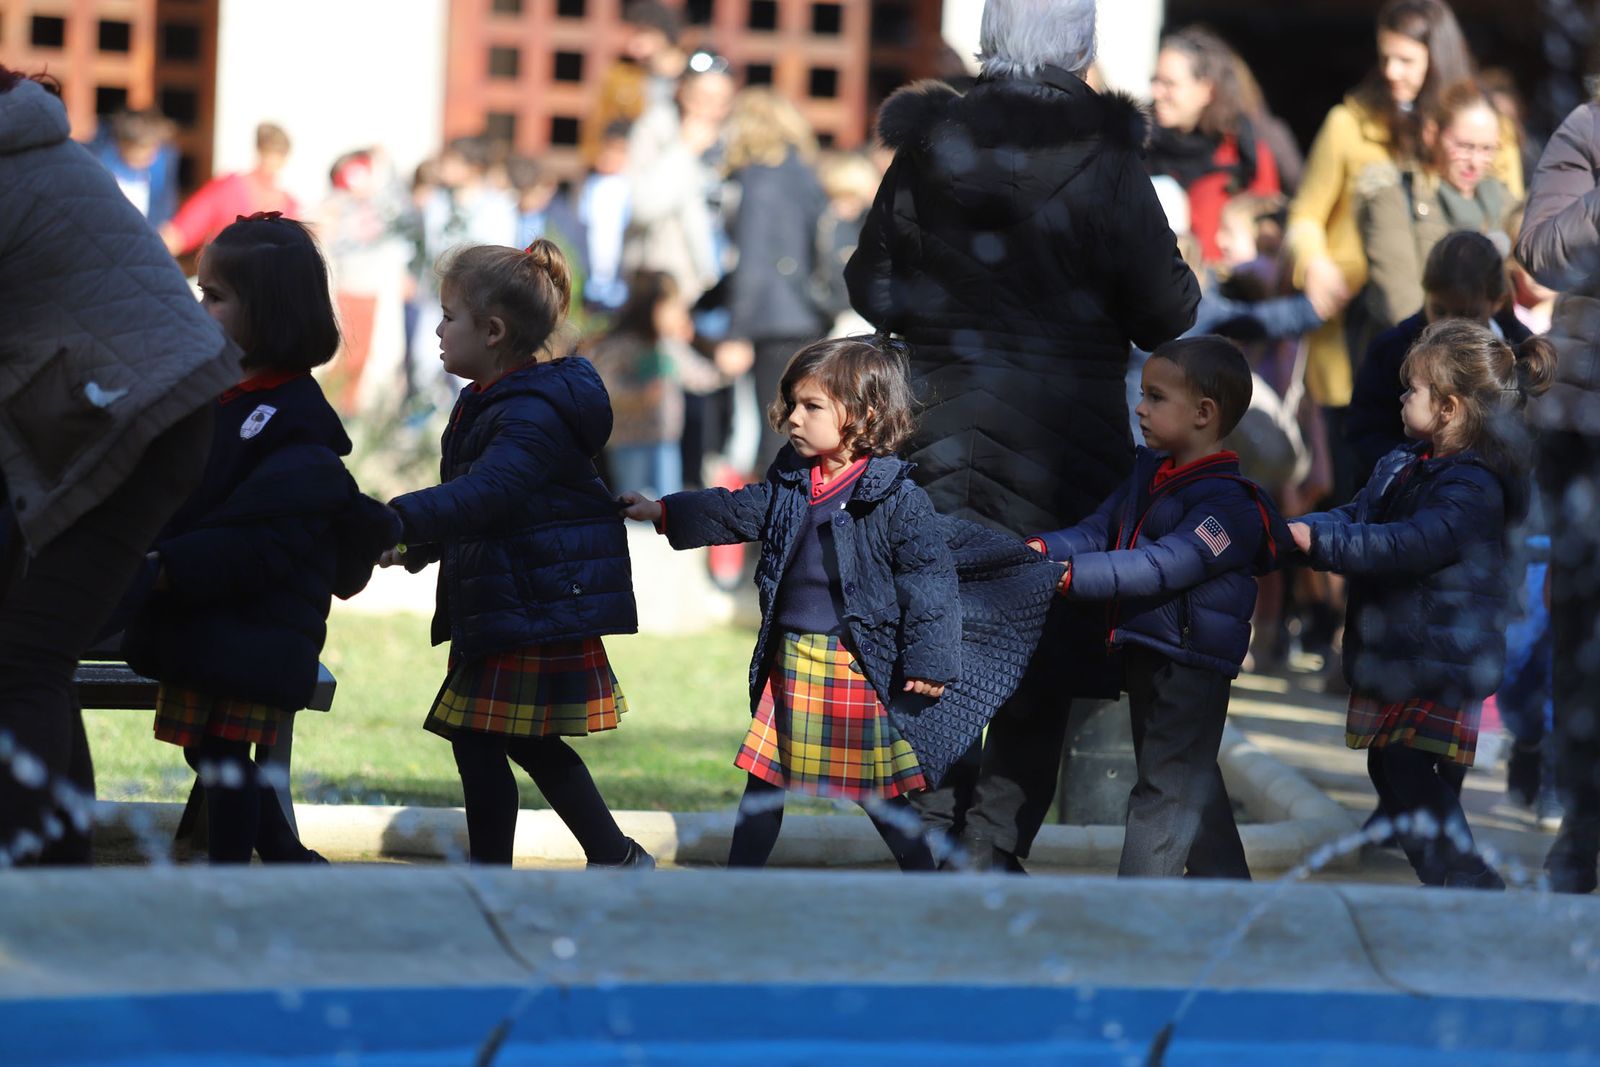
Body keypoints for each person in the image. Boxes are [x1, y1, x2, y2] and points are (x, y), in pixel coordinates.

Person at [845, 0, 1200, 870]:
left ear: (984, 43)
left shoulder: (932, 142)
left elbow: (872, 286)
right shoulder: (1111, 159)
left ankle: (928, 833)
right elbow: (1167, 312)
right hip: (1066, 442)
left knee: (923, 627)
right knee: (1038, 639)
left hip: (930, 427)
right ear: (1082, 49)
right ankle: (995, 847)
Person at [623, 337, 1056, 871]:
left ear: (864, 415)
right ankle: (738, 881)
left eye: (812, 407)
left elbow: (930, 581)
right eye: (792, 404)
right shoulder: (791, 480)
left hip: (851, 666)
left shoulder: (896, 498)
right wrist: (662, 510)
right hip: (792, 659)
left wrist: (931, 661)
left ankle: (924, 878)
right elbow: (737, 510)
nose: (793, 419)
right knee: (764, 781)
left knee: (879, 791)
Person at [0, 67, 239, 865]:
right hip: (137, 414)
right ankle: (61, 871)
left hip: (137, 419)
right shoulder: (32, 149)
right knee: (36, 653)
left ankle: (36, 878)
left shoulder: (14, 165)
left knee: (22, 659)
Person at [120, 214, 398, 864]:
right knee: (206, 749)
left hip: (253, 618)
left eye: (214, 296)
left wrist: (165, 566)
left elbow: (266, 530)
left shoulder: (295, 416)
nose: (200, 306)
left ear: (267, 312)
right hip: (210, 616)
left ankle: (234, 881)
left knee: (221, 754)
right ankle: (279, 849)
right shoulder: (224, 395)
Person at [382, 240, 648, 869]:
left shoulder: (529, 409)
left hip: (535, 599)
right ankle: (592, 860)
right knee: (497, 741)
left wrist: (396, 515)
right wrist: (415, 543)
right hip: (515, 595)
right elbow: (483, 504)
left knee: (498, 740)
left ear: (493, 331)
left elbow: (490, 491)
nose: (439, 331)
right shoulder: (495, 398)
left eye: (449, 317)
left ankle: (591, 861)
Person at [1288, 319, 1556, 889]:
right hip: (1405, 649)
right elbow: (1358, 516)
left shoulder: (1474, 485)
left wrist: (1324, 544)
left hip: (1438, 654)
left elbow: (1414, 544)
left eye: (1413, 389)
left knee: (1406, 767)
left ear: (1450, 408)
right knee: (1390, 767)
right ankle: (1451, 877)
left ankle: (1466, 878)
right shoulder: (1406, 461)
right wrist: (1293, 532)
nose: (1402, 395)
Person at [1030, 337, 1287, 879]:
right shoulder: (1149, 473)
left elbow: (1167, 563)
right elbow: (1099, 530)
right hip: (1149, 652)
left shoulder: (1231, 506)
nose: (1140, 407)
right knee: (1188, 782)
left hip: (1191, 666)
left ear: (1203, 413)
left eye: (1155, 396)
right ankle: (1233, 900)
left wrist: (1075, 578)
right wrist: (1044, 550)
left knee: (1162, 792)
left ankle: (1138, 918)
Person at [1287, 0, 1521, 499]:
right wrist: (1312, 261)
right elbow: (1306, 214)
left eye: (1408, 60)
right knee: (1354, 490)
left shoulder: (1479, 129)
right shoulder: (1350, 123)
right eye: (1385, 58)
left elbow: (1512, 222)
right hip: (1364, 327)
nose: (1392, 72)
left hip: (1462, 350)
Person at [1515, 83, 1600, 894]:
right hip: (1590, 431)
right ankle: (1583, 826)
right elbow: (1544, 251)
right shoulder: (1590, 126)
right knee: (1585, 637)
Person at [1345, 231, 1530, 486]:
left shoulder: (1518, 349)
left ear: (1496, 302)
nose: (1450, 324)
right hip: (1406, 496)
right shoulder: (1394, 349)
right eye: (1439, 310)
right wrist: (1416, 468)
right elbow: (1364, 432)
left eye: (1466, 314)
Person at [716, 89, 831, 471]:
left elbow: (754, 260)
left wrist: (736, 332)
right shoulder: (805, 176)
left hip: (770, 318)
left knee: (776, 426)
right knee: (803, 424)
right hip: (808, 314)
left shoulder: (758, 180)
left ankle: (771, 526)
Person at [1355, 80, 1514, 334]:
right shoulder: (1395, 198)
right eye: (1464, 146)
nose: (1475, 162)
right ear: (1432, 134)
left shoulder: (1503, 202)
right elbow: (1400, 304)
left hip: (1491, 361)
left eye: (1487, 149)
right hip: (1417, 359)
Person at [1147, 26, 1281, 265]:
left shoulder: (1242, 156)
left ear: (1206, 90)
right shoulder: (1136, 147)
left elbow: (1267, 241)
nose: (1156, 92)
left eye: (1169, 84)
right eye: (1155, 81)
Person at [592, 270, 721, 497]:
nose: (679, 316)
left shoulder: (670, 344)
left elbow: (697, 375)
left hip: (665, 439)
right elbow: (604, 388)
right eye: (672, 308)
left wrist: (722, 367)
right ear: (652, 307)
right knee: (631, 502)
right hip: (628, 441)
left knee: (668, 503)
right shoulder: (623, 345)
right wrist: (639, 395)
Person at [163, 122, 299, 257]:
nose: (272, 161)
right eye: (270, 153)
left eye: (277, 155)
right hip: (225, 275)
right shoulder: (229, 189)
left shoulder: (288, 206)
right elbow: (181, 233)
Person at [87, 107, 180, 227]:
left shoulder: (160, 167)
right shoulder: (100, 163)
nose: (150, 158)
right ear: (121, 146)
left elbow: (163, 206)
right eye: (141, 154)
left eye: (153, 151)